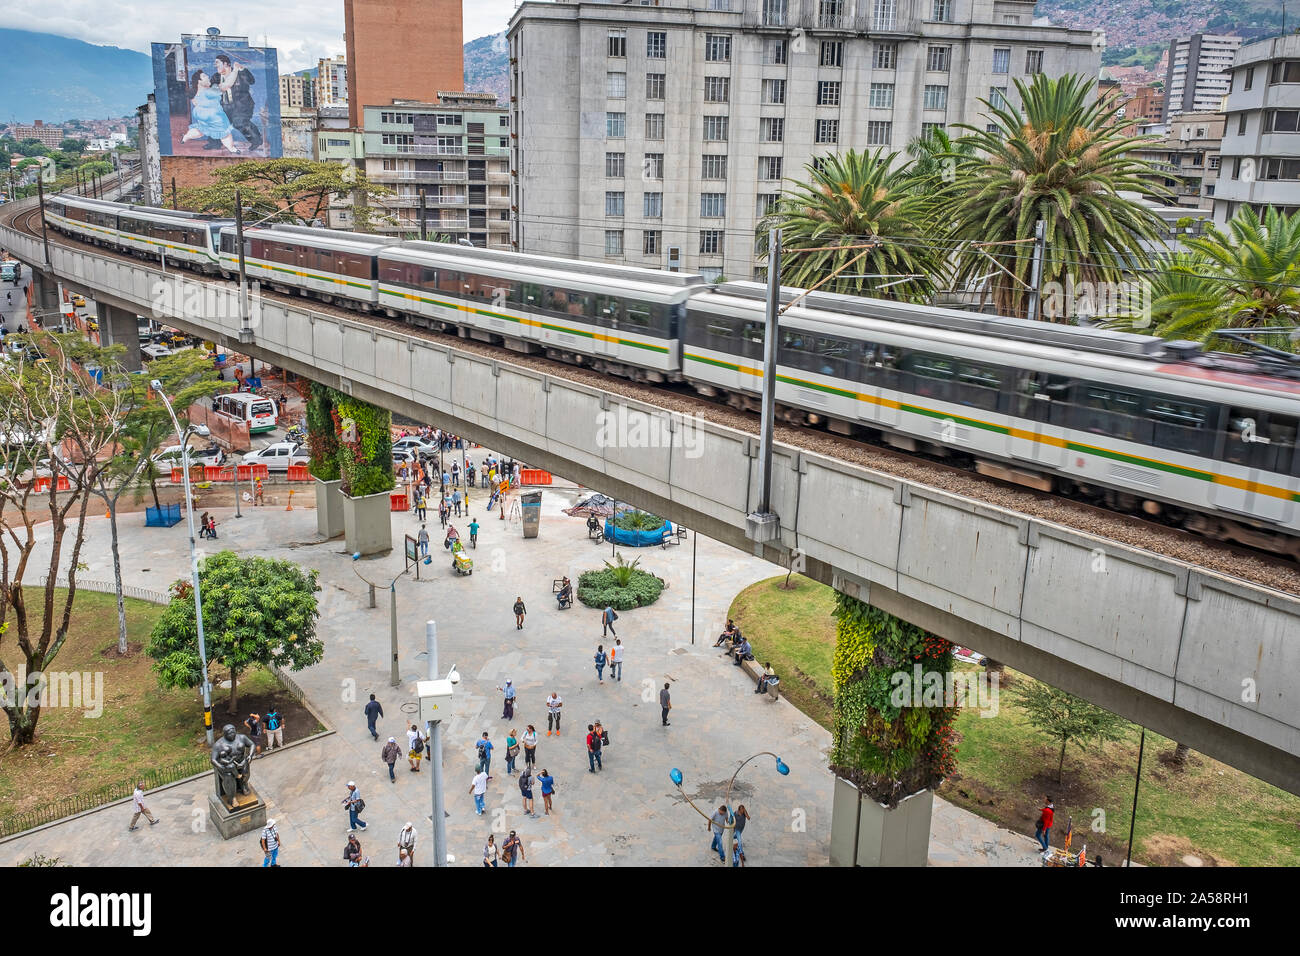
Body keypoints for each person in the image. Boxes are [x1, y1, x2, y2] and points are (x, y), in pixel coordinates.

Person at [180, 69, 238, 153]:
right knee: (224, 132)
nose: (207, 77)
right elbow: (227, 84)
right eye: (204, 76)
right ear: (199, 81)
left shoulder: (195, 92)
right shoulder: (210, 91)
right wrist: (235, 70)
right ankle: (232, 148)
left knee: (201, 129)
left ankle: (186, 137)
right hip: (213, 115)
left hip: (199, 113)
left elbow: (196, 103)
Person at [215, 53, 263, 151]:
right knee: (217, 121)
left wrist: (242, 69)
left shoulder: (239, 73)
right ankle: (214, 143)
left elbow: (252, 81)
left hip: (242, 104)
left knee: (239, 122)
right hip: (226, 106)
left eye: (217, 63)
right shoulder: (216, 77)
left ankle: (256, 140)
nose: (215, 65)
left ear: (226, 64)